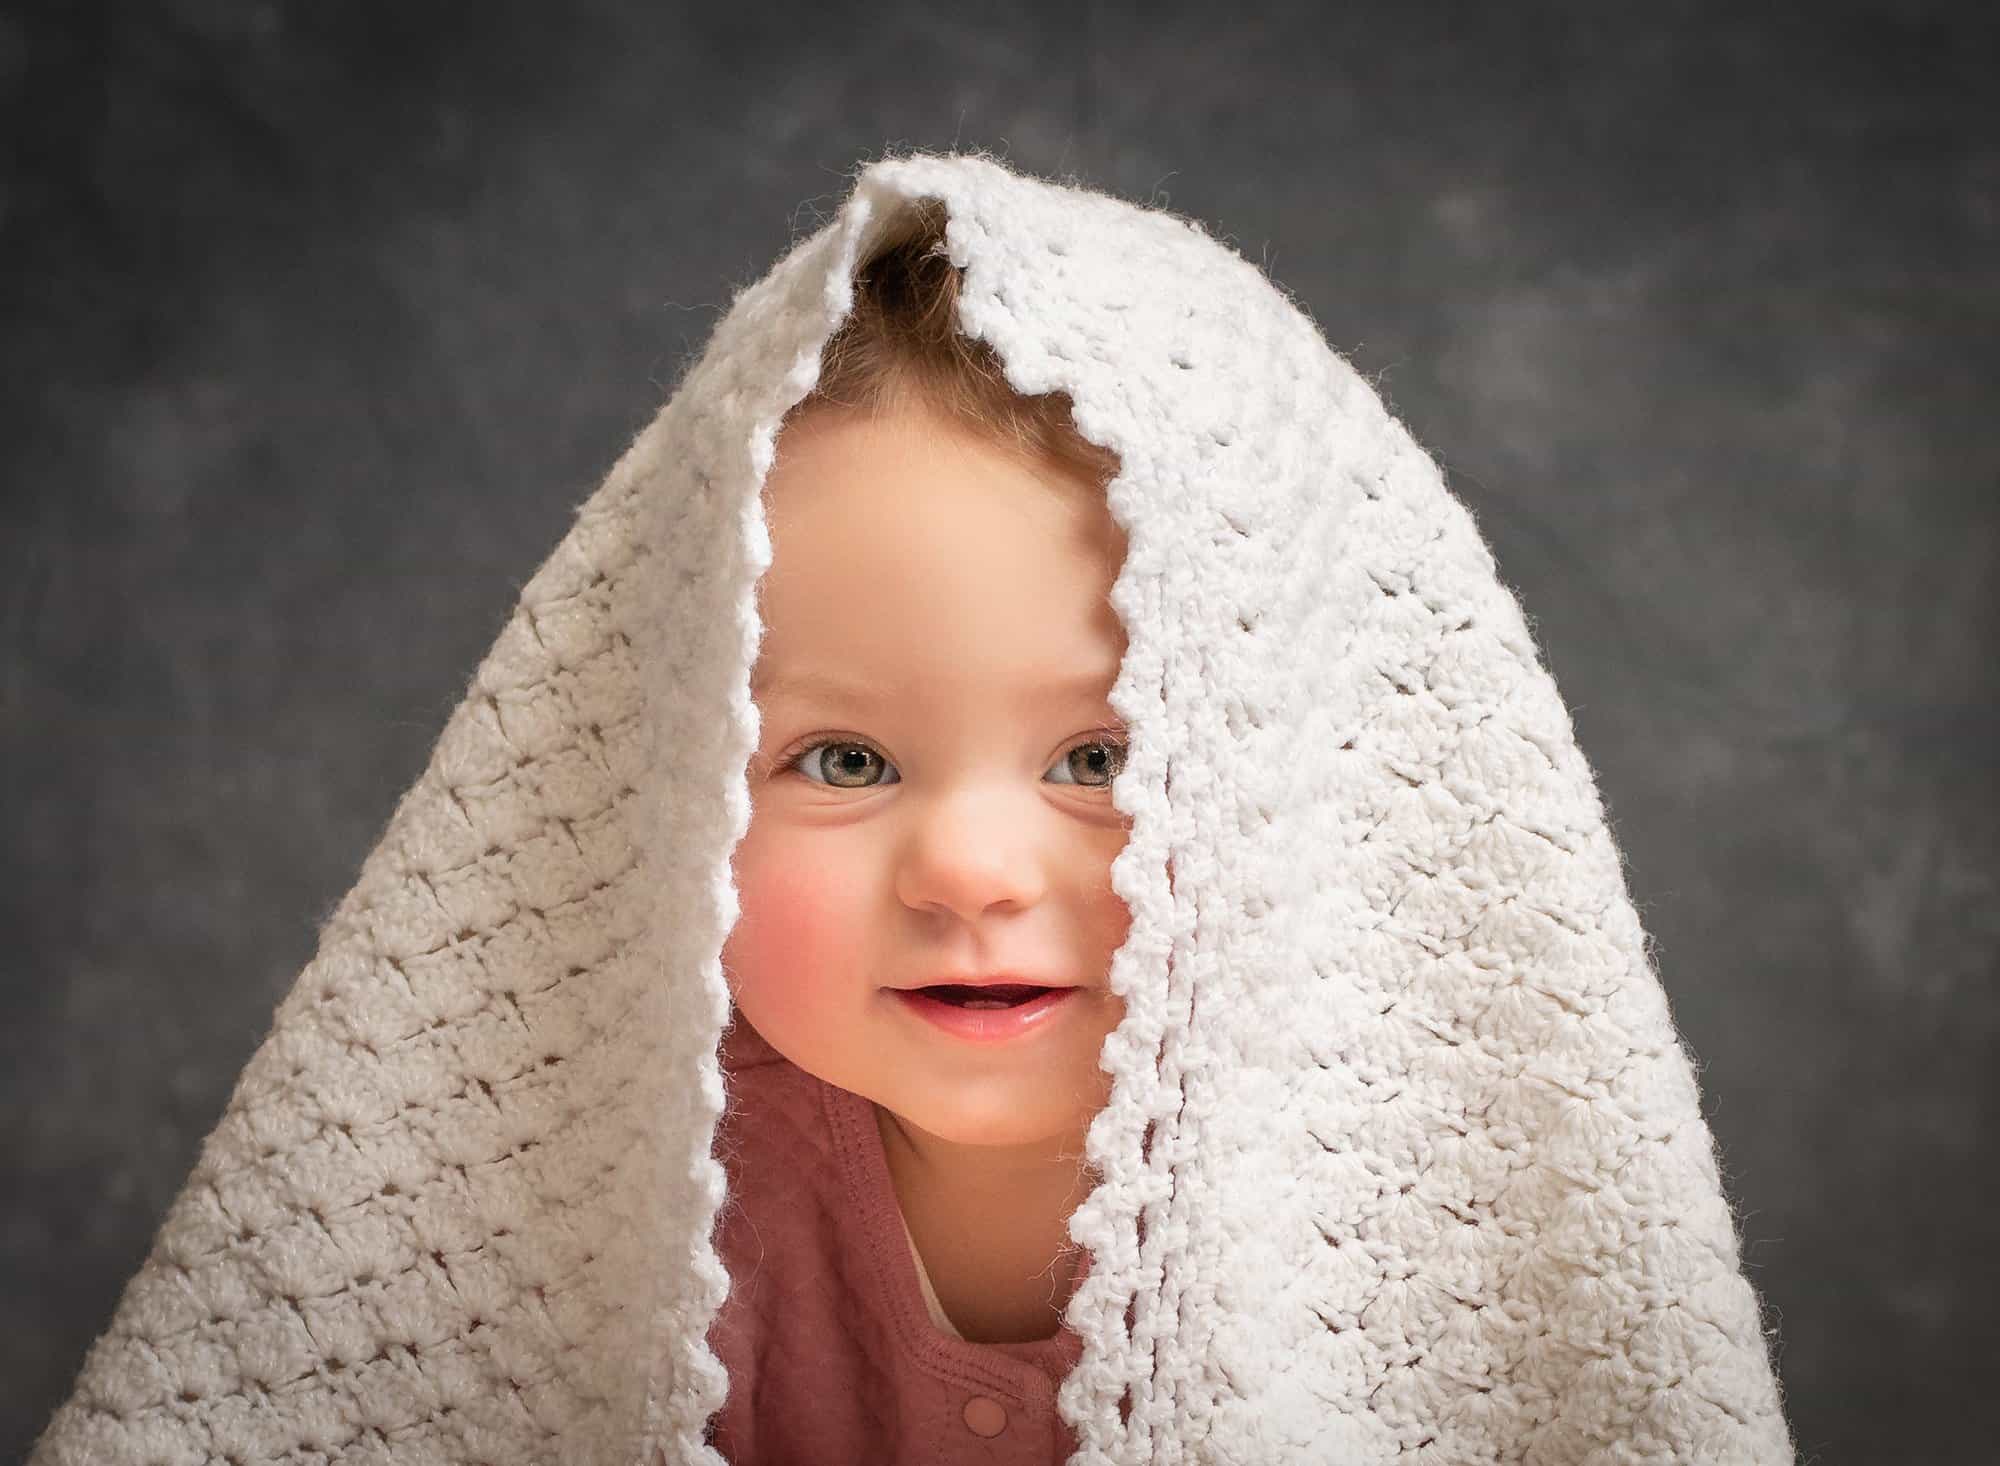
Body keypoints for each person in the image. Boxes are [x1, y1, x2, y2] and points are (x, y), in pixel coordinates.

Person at [30, 151, 1796, 1466]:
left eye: (1103, 755)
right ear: (672, 774)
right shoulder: (625, 1206)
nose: (968, 866)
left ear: (1301, 773)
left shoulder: (1417, 1233)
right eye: (845, 760)